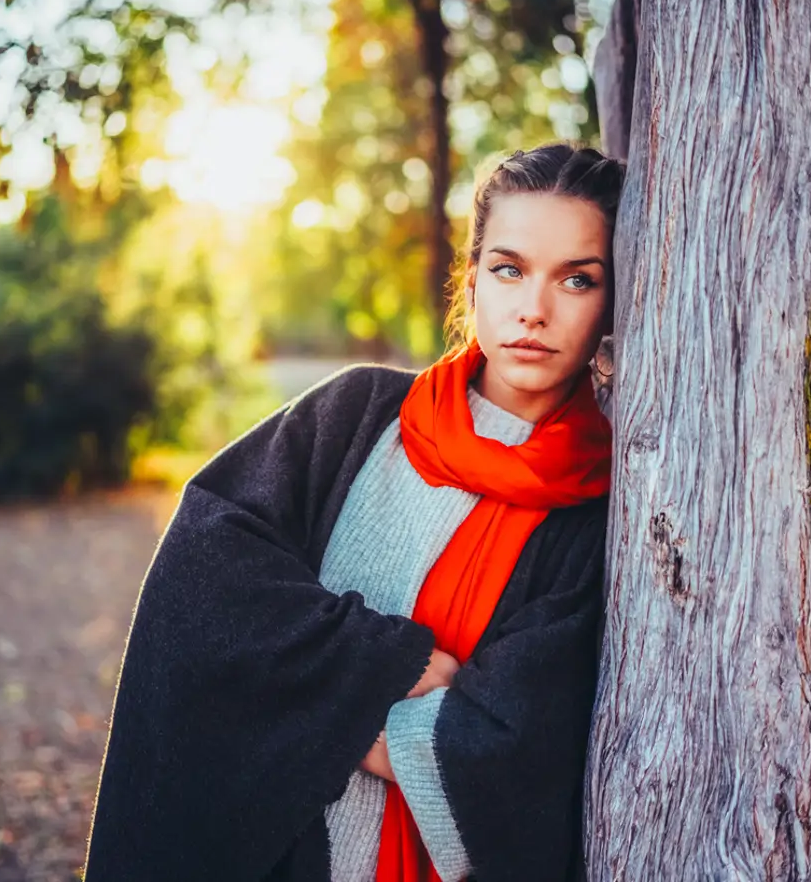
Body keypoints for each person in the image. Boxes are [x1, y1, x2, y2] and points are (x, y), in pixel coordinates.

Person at [83, 142, 626, 882]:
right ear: (471, 285)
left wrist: (305, 703)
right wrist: (385, 659)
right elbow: (207, 564)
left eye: (577, 279)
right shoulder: (357, 415)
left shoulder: (599, 510)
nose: (534, 308)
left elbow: (514, 747)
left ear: (615, 300)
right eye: (509, 269)